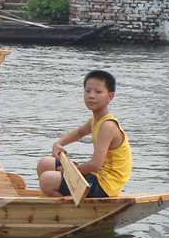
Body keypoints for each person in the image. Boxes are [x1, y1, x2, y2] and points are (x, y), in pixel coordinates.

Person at [36, 69, 132, 198]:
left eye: (98, 92)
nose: (91, 96)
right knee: (44, 163)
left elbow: (96, 164)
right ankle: (55, 204)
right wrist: (58, 143)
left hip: (106, 184)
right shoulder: (96, 120)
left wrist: (70, 171)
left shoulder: (108, 126)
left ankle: (67, 213)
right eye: (88, 91)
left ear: (110, 96)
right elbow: (80, 132)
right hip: (98, 176)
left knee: (47, 179)